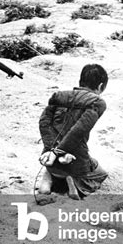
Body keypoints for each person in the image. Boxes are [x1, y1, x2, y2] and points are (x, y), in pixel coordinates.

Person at [38, 64, 109, 200]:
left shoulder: (58, 96)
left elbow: (44, 123)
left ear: (80, 81)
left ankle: (48, 178)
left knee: (55, 166)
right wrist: (59, 152)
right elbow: (80, 129)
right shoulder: (97, 102)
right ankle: (73, 183)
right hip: (75, 160)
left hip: (49, 158)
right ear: (100, 86)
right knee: (100, 173)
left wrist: (51, 149)